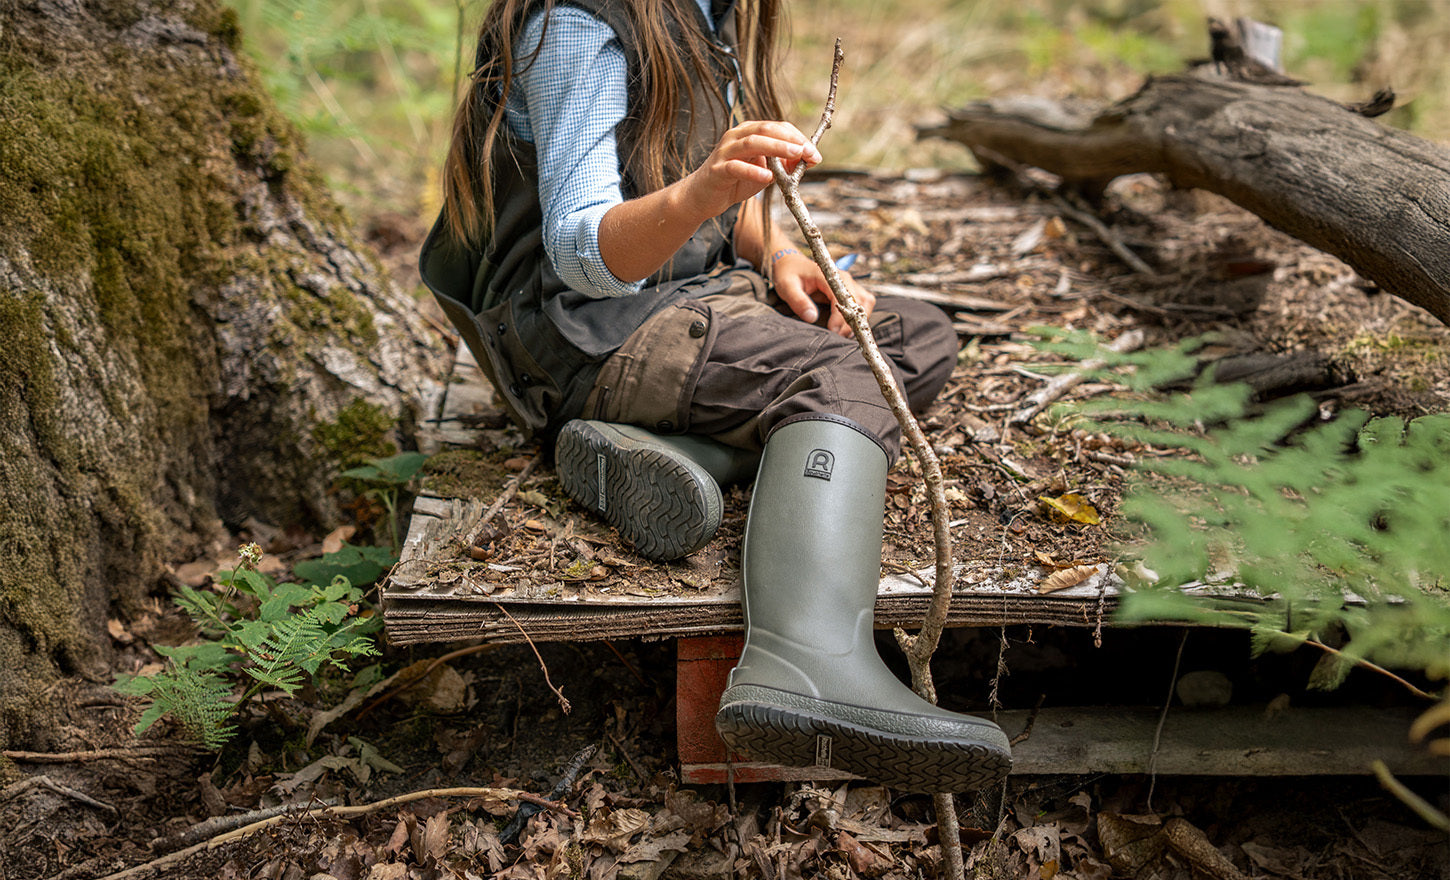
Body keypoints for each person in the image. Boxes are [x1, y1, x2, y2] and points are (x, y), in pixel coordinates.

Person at [420, 0, 1010, 792]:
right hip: (586, 337)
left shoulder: (702, 10)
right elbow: (580, 253)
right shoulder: (577, 28)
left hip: (687, 298)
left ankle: (681, 454)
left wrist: (780, 255)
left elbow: (714, 201)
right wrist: (701, 193)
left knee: (916, 335)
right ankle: (806, 663)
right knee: (844, 377)